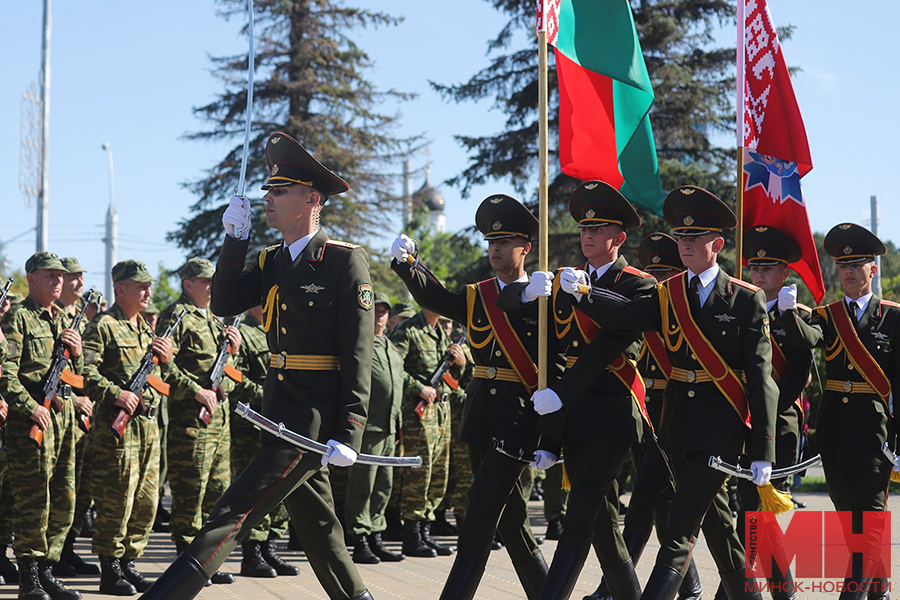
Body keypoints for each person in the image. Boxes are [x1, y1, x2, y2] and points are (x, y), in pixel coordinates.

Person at [140, 131, 376, 600]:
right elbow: (225, 302)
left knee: (232, 514)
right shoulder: (271, 259)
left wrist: (350, 429)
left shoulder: (344, 262)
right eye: (268, 190)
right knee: (321, 531)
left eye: (279, 191)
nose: (267, 198)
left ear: (311, 198)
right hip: (279, 408)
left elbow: (358, 352)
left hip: (311, 420)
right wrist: (235, 241)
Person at [546, 187, 777, 600]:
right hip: (676, 428)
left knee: (676, 533)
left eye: (695, 238)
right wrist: (586, 294)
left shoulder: (745, 298)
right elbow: (627, 317)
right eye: (681, 238)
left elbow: (761, 376)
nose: (685, 244)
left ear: (717, 244)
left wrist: (763, 448)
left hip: (720, 429)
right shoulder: (667, 293)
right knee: (722, 534)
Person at [390, 194, 563, 600]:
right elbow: (438, 300)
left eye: (505, 243)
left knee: (479, 516)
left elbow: (557, 367)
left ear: (526, 248)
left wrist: (553, 437)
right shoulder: (478, 294)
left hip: (520, 420)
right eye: (491, 243)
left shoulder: (545, 296)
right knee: (512, 521)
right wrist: (409, 267)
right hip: (481, 416)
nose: (495, 250)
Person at [502, 181, 658, 600]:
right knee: (604, 525)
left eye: (600, 228)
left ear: (619, 238)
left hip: (613, 417)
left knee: (579, 516)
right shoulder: (568, 281)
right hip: (573, 417)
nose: (587, 235)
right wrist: (525, 291)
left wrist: (584, 294)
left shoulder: (639, 284)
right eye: (584, 229)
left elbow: (617, 331)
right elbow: (547, 343)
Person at [776, 223, 898, 600]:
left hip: (876, 433)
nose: (847, 271)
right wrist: (786, 313)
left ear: (873, 270)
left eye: (857, 264)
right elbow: (806, 338)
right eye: (843, 264)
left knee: (870, 518)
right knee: (850, 521)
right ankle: (877, 591)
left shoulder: (894, 317)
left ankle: (852, 595)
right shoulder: (826, 316)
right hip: (834, 432)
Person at [583, 233, 700, 600]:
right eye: (653, 273)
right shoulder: (644, 308)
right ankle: (691, 587)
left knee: (646, 502)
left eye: (665, 273)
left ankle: (612, 590)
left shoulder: (688, 311)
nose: (659, 282)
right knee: (661, 507)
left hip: (677, 412)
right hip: (643, 410)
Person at [723, 225, 813, 600]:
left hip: (777, 424)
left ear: (784, 273)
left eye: (768, 268)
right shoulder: (741, 309)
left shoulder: (800, 315)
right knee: (747, 514)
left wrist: (766, 413)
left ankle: (775, 590)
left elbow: (799, 372)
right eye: (754, 268)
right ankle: (775, 590)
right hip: (742, 419)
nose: (759, 274)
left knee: (759, 516)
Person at [81, 260, 173, 596]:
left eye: (149, 285)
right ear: (121, 289)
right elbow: (85, 374)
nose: (148, 291)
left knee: (146, 502)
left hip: (147, 429)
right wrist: (116, 393)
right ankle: (110, 567)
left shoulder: (145, 329)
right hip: (116, 432)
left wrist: (166, 360)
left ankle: (129, 562)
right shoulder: (103, 326)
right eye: (141, 286)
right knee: (116, 500)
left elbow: (159, 382)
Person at [0, 251, 85, 600]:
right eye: (49, 275)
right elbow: (6, 373)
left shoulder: (64, 319)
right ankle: (29, 577)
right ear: (31, 278)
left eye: (60, 276)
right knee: (34, 502)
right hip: (32, 421)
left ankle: (48, 569)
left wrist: (77, 356)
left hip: (62, 418)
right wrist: (29, 406)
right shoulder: (19, 318)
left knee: (64, 499)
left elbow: (76, 379)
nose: (58, 281)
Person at [156, 257, 241, 584]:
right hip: (191, 422)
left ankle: (207, 561)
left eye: (213, 280)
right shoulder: (176, 315)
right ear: (187, 283)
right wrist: (195, 391)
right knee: (190, 493)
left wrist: (231, 352)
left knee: (218, 495)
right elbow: (163, 366)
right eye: (205, 281)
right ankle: (186, 565)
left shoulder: (216, 319)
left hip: (219, 423)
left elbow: (230, 377)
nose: (211, 286)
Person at [229, 305, 298, 578]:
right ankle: (252, 553)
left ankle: (270, 547)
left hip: (284, 425)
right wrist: (271, 397)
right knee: (256, 492)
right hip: (254, 427)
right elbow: (235, 379)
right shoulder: (242, 333)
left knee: (278, 492)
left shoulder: (281, 333)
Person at [390, 306, 461, 558]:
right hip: (418, 413)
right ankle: (412, 537)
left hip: (442, 411)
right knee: (420, 474)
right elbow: (394, 367)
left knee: (438, 474)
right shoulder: (407, 331)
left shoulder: (440, 332)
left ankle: (425, 534)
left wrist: (461, 362)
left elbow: (452, 376)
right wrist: (419, 388)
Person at [344, 293, 406, 564]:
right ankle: (359, 540)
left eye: (383, 312)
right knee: (363, 485)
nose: (379, 315)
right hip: (368, 426)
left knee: (383, 485)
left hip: (390, 427)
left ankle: (376, 536)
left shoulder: (390, 347)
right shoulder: (360, 343)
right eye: (375, 311)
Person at [53, 257, 99, 578]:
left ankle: (66, 551)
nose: (79, 283)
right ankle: (47, 559)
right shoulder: (53, 319)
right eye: (73, 277)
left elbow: (84, 371)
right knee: (54, 491)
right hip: (57, 412)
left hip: (81, 419)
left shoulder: (82, 321)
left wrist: (85, 396)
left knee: (79, 491)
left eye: (81, 277)